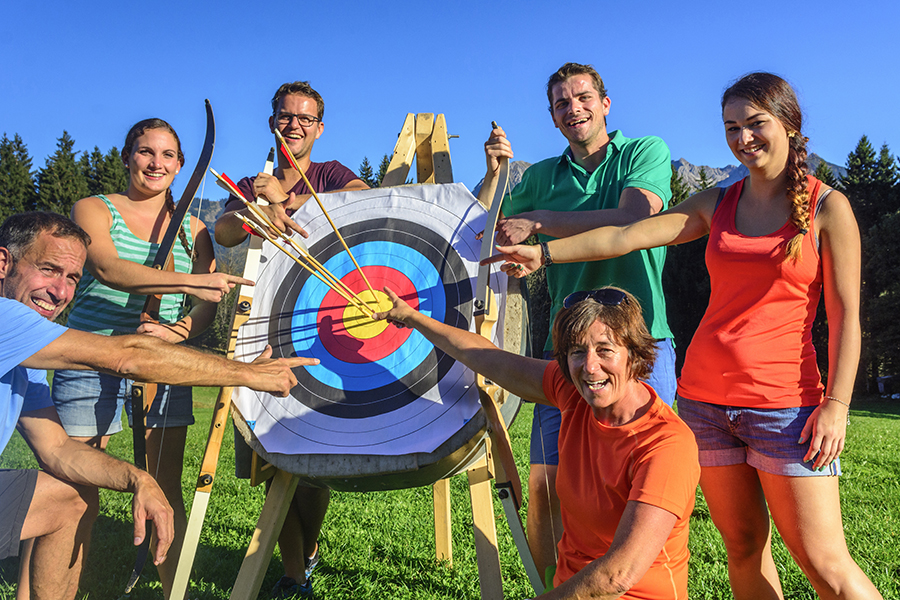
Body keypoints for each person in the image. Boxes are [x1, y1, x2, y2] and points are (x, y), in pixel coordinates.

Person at [488, 72, 884, 599]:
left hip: (787, 407)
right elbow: (627, 236)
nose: (743, 139)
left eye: (755, 124)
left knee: (825, 563)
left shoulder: (828, 207)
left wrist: (836, 404)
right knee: (742, 549)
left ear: (789, 124)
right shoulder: (717, 202)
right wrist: (545, 253)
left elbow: (847, 318)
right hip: (705, 404)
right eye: (731, 128)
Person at [0, 211, 316, 600]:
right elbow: (128, 357)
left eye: (72, 279)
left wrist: (139, 479)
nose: (60, 292)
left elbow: (58, 449)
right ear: (3, 263)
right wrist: (247, 374)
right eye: (48, 269)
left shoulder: (25, 362)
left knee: (69, 497)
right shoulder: (6, 317)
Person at [477, 62, 676, 579]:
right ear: (552, 116)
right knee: (546, 486)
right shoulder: (540, 176)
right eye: (562, 104)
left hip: (641, 344)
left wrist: (539, 226)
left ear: (605, 103)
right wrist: (497, 173)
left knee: (638, 485)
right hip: (568, 352)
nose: (575, 109)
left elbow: (634, 217)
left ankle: (635, 584)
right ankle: (555, 588)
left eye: (583, 97)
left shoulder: (642, 152)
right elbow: (484, 226)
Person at [374, 285, 698, 599]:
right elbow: (488, 358)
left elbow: (618, 576)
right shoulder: (572, 392)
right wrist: (412, 317)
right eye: (576, 352)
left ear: (634, 352)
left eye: (605, 350)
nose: (589, 366)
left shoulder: (667, 445)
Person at [49, 117, 254, 597]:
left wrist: (175, 330)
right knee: (75, 488)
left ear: (181, 165)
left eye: (167, 155)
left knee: (164, 489)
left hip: (161, 363)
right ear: (127, 157)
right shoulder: (94, 208)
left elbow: (206, 305)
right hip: (89, 355)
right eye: (145, 152)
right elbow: (107, 266)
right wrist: (186, 282)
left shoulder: (196, 229)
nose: (156, 163)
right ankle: (60, 587)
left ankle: (172, 592)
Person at [215, 80, 369, 599]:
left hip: (323, 323)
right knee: (270, 454)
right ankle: (294, 573)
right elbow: (223, 231)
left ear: (320, 128)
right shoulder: (252, 180)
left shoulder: (331, 173)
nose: (294, 125)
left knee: (312, 458)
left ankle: (306, 552)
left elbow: (365, 200)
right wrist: (253, 210)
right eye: (286, 116)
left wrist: (291, 198)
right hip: (265, 325)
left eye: (305, 118)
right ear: (272, 121)